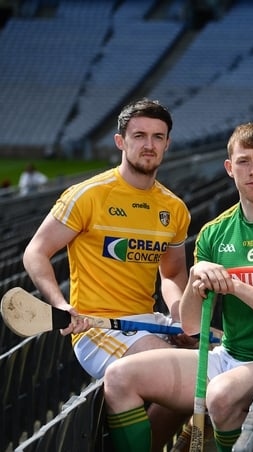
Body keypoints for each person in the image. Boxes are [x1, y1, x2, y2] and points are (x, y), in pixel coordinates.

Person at [102, 122, 253, 452]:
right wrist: (196, 282)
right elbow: (192, 326)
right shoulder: (213, 233)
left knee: (221, 396)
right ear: (229, 168)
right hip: (229, 357)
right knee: (119, 377)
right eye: (243, 161)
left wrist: (236, 286)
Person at [22, 98, 192, 449]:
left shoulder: (174, 208)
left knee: (211, 370)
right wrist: (60, 304)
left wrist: (180, 316)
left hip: (148, 321)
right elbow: (35, 252)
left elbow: (174, 274)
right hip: (97, 328)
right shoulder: (87, 196)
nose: (149, 145)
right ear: (120, 141)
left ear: (167, 144)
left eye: (158, 137)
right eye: (139, 135)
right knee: (194, 376)